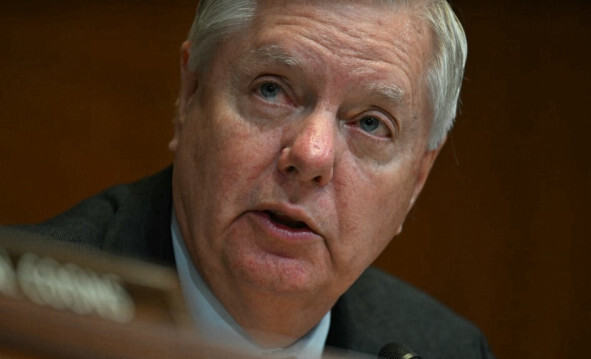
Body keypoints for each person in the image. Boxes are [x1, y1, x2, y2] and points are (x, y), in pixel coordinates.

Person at [12, 0, 494, 357]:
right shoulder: (20, 315)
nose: (310, 155)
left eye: (371, 123)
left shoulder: (449, 349)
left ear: (416, 182)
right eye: (272, 90)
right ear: (190, 94)